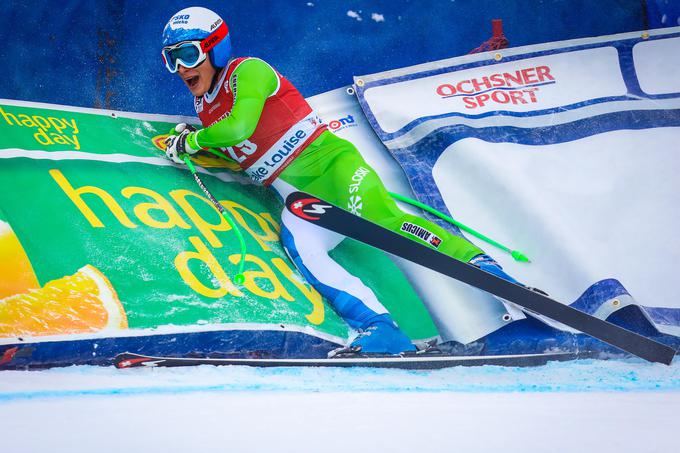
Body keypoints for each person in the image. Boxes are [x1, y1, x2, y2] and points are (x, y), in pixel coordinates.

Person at [161, 6, 524, 355]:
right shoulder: (204, 106)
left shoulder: (247, 71)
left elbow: (238, 126)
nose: (180, 68)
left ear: (216, 47)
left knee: (387, 224)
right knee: (303, 251)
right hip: (302, 200)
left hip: (334, 170)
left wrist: (193, 140)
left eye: (188, 54)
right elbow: (238, 149)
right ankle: (380, 328)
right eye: (170, 58)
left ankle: (489, 271)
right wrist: (194, 146)